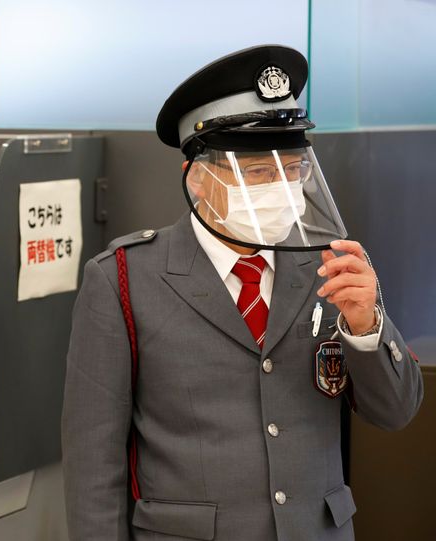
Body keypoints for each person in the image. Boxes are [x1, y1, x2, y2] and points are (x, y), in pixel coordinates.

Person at [61, 45, 423, 541]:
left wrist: (366, 328)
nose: (283, 187)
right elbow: (92, 461)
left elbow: (396, 411)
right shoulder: (125, 279)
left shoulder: (328, 264)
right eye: (258, 173)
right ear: (198, 179)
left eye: (293, 169)